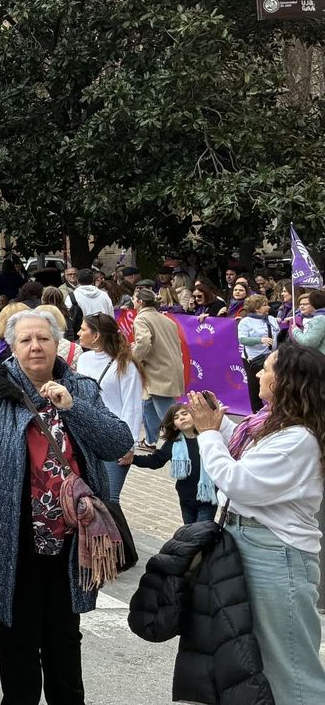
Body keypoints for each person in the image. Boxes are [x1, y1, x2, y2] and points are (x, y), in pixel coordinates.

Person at [0, 309, 133, 705]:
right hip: (13, 536)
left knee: (64, 635)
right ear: (13, 348)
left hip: (70, 540)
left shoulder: (82, 388)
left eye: (43, 339)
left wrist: (74, 408)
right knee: (17, 635)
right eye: (26, 340)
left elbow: (117, 442)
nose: (35, 346)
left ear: (59, 345)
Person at [187, 346, 325, 702]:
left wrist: (207, 434)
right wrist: (220, 424)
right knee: (253, 659)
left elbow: (239, 482)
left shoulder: (298, 438)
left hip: (275, 554)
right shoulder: (272, 423)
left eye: (266, 369)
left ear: (287, 382)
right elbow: (253, 453)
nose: (258, 375)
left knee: (291, 670)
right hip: (250, 543)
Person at [74, 313, 144, 503]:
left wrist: (130, 445)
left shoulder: (126, 365)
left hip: (113, 436)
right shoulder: (84, 359)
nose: (79, 332)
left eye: (83, 329)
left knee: (110, 499)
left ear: (96, 335)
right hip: (85, 435)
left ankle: (119, 533)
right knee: (87, 497)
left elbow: (132, 406)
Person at [129, 404, 218, 524]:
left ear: (194, 416)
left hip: (208, 498)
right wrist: (132, 459)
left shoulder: (208, 438)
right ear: (174, 426)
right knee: (189, 533)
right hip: (186, 499)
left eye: (185, 414)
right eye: (176, 417)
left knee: (203, 533)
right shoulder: (174, 444)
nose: (181, 418)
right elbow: (156, 461)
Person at [131, 287, 185, 444]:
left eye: (134, 299)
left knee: (168, 415)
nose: (132, 301)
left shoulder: (141, 319)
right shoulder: (167, 320)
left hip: (158, 371)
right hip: (167, 369)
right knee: (148, 406)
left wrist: (134, 359)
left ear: (140, 302)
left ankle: (182, 444)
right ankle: (150, 441)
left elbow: (144, 341)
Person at [236, 295, 280, 415]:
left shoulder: (271, 318)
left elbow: (278, 331)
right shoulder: (245, 322)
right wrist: (260, 340)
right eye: (265, 305)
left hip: (271, 357)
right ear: (256, 308)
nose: (268, 307)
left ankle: (277, 410)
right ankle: (257, 413)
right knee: (255, 386)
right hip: (254, 359)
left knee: (275, 383)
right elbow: (243, 340)